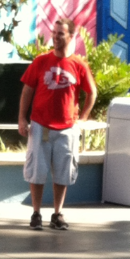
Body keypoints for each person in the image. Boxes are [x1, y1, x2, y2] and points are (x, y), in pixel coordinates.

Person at [18, 18, 97, 231]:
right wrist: (22, 118)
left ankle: (57, 213)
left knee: (63, 173)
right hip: (40, 125)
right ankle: (36, 213)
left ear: (71, 36)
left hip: (67, 129)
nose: (55, 37)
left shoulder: (79, 65)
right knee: (37, 171)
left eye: (60, 34)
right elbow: (27, 90)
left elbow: (92, 93)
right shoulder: (41, 61)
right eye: (54, 33)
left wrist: (82, 118)